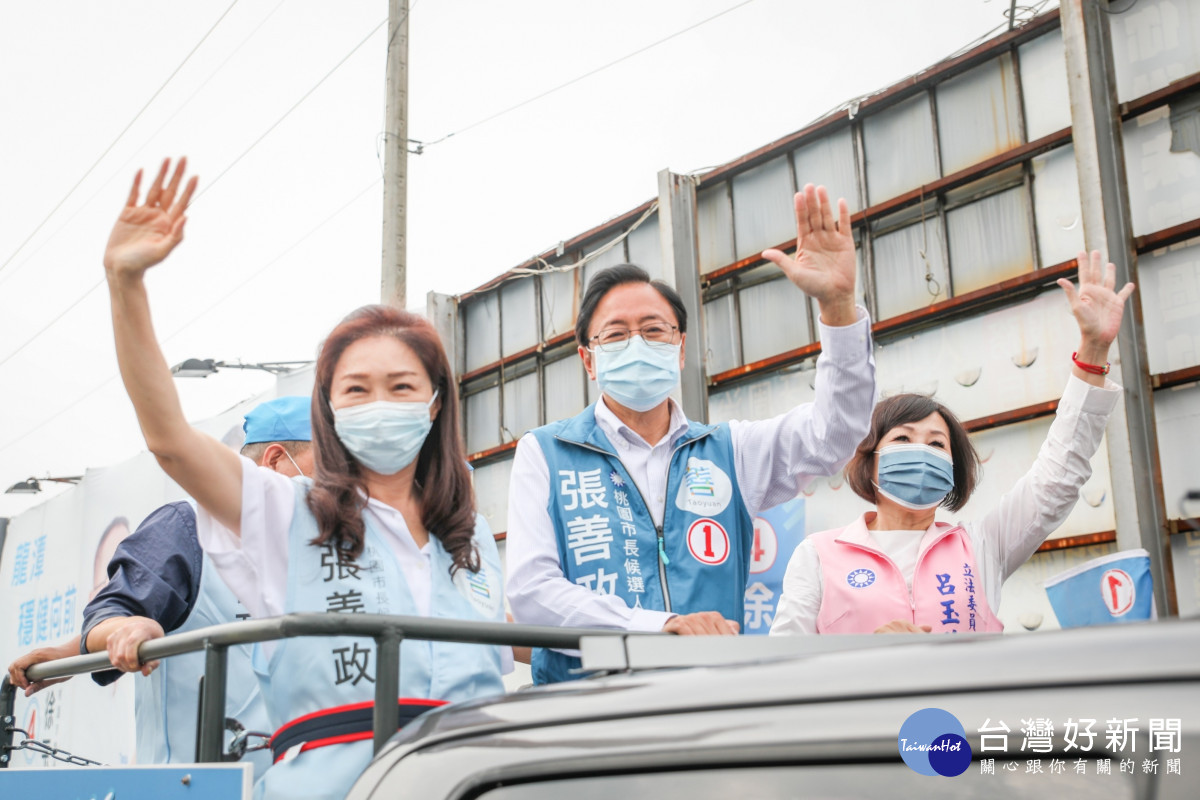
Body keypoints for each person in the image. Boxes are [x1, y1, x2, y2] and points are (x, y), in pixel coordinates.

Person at [100, 158, 507, 800]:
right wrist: (126, 284)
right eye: (357, 389)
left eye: (401, 387)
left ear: (435, 404)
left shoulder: (473, 538)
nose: (380, 403)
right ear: (329, 406)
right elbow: (170, 441)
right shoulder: (282, 513)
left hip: (472, 781)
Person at [507, 184, 877, 684]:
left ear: (680, 350)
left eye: (655, 330)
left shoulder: (731, 450)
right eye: (615, 334)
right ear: (588, 359)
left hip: (708, 704)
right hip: (584, 711)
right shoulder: (546, 452)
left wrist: (838, 307)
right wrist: (659, 628)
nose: (636, 342)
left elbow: (834, 435)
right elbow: (532, 593)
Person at [769, 251, 1134, 635]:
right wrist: (865, 660)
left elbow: (1058, 477)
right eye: (904, 438)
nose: (921, 452)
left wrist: (1093, 351)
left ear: (954, 468)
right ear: (869, 459)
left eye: (937, 444)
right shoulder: (819, 556)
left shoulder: (983, 546)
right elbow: (787, 666)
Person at [6, 396, 315, 779]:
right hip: (203, 785)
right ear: (274, 460)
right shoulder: (188, 527)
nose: (345, 485)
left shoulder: (336, 544)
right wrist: (121, 632)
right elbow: (122, 609)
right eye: (332, 467)